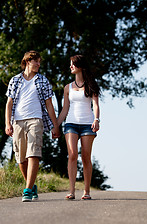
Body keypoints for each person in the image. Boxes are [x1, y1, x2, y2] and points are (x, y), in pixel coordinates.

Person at [5, 50, 60, 202]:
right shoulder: (15, 80)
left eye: (39, 62)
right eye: (36, 61)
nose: (38, 64)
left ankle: (28, 190)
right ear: (27, 62)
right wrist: (7, 123)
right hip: (18, 121)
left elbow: (49, 105)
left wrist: (55, 126)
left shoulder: (43, 80)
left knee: (33, 153)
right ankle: (32, 185)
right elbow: (9, 104)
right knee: (21, 159)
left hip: (36, 120)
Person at [57, 55, 100, 200]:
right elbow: (64, 109)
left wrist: (96, 119)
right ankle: (72, 191)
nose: (70, 67)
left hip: (88, 124)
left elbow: (95, 104)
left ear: (80, 66)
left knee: (86, 156)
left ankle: (86, 191)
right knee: (73, 155)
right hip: (71, 123)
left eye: (73, 64)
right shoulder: (67, 87)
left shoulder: (91, 85)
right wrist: (55, 125)